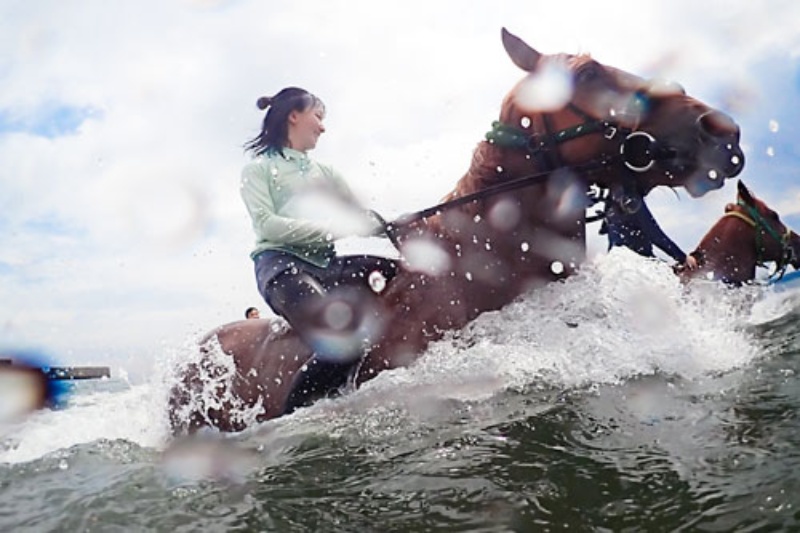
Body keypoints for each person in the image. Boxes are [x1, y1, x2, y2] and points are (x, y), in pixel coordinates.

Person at [240, 87, 398, 414]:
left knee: (405, 277)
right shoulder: (256, 170)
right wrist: (331, 226)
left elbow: (359, 218)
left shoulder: (327, 174)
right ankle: (290, 426)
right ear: (293, 116)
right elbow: (267, 225)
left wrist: (394, 226)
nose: (323, 127)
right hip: (282, 268)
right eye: (318, 117)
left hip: (328, 267)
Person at [599, 182, 698, 270]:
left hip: (615, 263)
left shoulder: (613, 200)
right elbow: (654, 234)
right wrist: (683, 258)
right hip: (637, 264)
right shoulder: (631, 201)